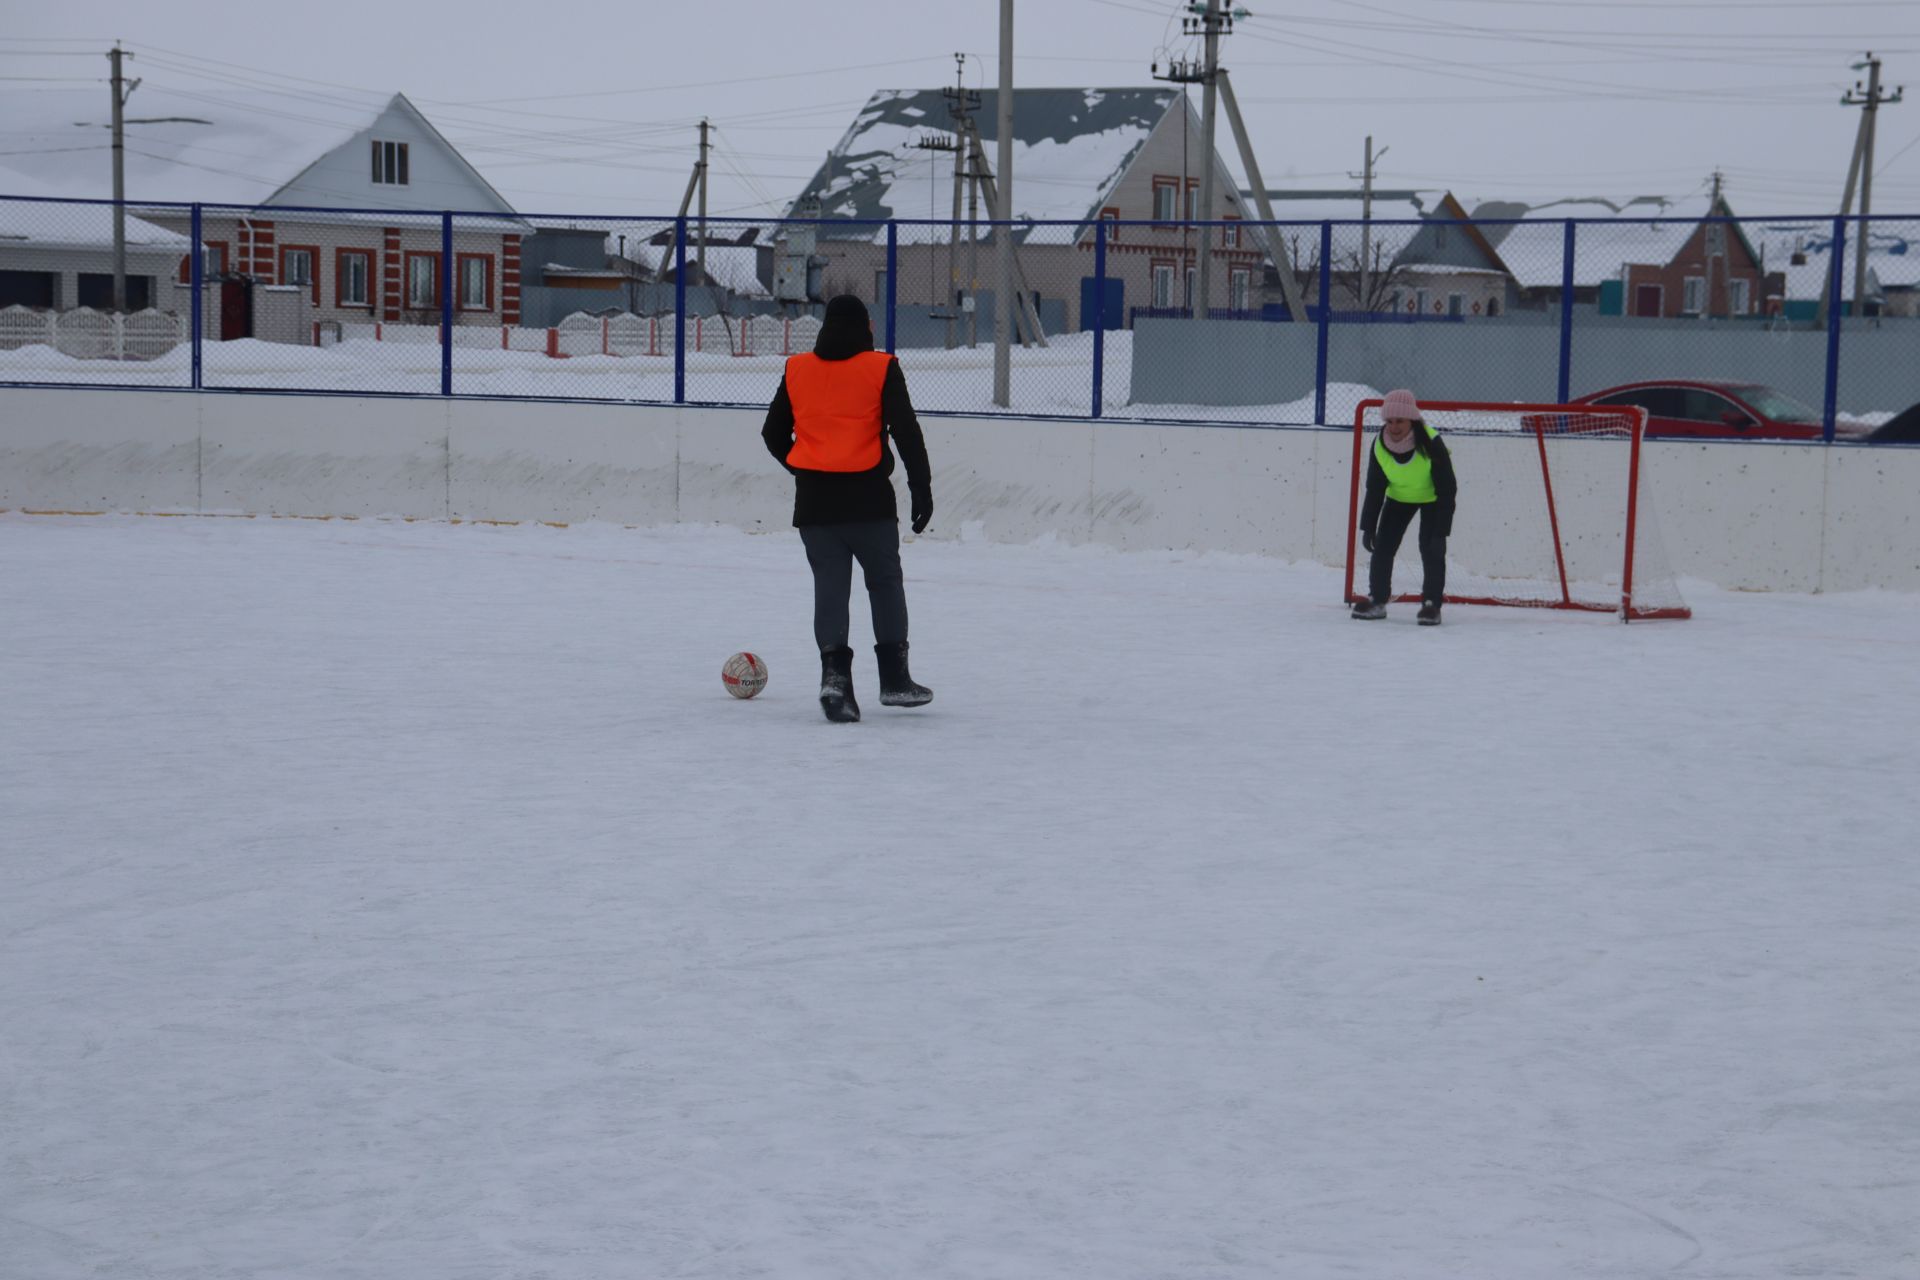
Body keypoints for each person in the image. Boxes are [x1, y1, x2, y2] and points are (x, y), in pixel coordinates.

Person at [761, 294, 934, 723]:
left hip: (816, 504)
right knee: (885, 584)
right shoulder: (880, 367)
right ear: (867, 328)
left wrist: (805, 466)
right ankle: (895, 681)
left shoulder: (797, 368)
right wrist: (921, 487)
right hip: (869, 500)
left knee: (831, 590)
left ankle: (835, 682)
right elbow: (907, 431)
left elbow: (772, 433)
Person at [1352, 388, 1457, 626]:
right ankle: (1377, 600)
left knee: (1430, 550)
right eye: (1389, 421)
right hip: (1398, 498)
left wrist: (1441, 532)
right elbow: (1375, 488)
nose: (1394, 426)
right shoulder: (1379, 444)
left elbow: (1447, 489)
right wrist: (1368, 527)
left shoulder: (1431, 443)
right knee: (1383, 547)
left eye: (1400, 420)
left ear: (1412, 419)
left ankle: (1431, 605)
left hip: (1433, 499)